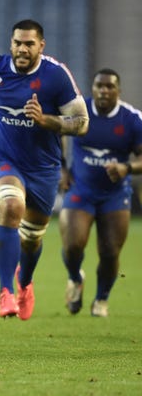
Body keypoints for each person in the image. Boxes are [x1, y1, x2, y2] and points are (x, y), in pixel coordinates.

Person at [0, 19, 89, 320]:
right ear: (11, 43)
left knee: (32, 239)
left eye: (29, 43)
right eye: (17, 42)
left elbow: (82, 124)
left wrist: (48, 121)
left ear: (41, 46)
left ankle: (25, 283)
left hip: (43, 168)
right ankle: (5, 292)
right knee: (11, 206)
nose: (22, 48)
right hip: (3, 157)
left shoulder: (56, 76)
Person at [59, 68, 142, 317]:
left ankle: (101, 300)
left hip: (115, 195)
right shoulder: (79, 109)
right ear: (92, 88)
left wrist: (126, 167)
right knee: (73, 245)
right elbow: (57, 133)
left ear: (118, 90)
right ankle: (75, 278)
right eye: (99, 86)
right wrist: (62, 167)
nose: (104, 91)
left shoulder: (132, 119)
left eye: (109, 86)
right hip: (81, 190)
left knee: (109, 252)